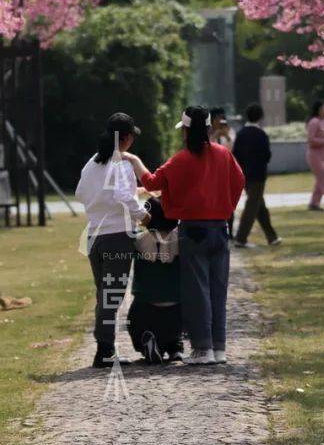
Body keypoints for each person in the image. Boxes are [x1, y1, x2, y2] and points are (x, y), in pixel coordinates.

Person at [127, 105, 245, 366]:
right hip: (220, 228)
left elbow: (152, 183)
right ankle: (219, 347)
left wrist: (134, 161)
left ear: (186, 131)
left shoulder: (180, 159)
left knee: (197, 291)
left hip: (193, 230)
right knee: (218, 290)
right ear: (209, 129)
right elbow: (239, 181)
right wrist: (227, 207)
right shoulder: (224, 154)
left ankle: (203, 348)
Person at [76, 110, 145, 367]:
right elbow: (125, 198)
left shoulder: (92, 163)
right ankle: (105, 351)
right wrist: (147, 218)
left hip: (94, 236)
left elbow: (80, 193)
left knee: (104, 294)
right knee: (112, 296)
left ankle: (105, 348)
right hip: (117, 236)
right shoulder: (122, 164)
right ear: (126, 138)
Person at [127, 197, 184, 364]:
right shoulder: (180, 241)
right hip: (176, 308)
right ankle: (175, 348)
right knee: (175, 326)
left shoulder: (139, 241)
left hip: (146, 306)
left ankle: (146, 344)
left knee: (133, 320)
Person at [232, 103, 280, 247]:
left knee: (259, 205)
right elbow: (267, 156)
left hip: (244, 174)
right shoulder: (261, 134)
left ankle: (272, 237)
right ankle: (241, 238)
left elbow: (235, 155)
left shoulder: (241, 133)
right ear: (260, 117)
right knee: (252, 206)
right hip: (258, 176)